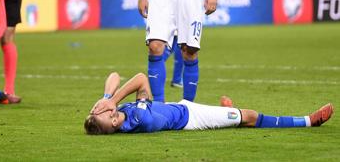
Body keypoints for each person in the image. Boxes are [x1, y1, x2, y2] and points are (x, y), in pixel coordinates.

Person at [84, 72, 334, 134]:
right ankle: (308, 121)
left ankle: (227, 112)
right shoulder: (140, 119)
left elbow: (117, 75)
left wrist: (106, 99)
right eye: (110, 119)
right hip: (193, 119)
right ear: (114, 123)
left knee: (237, 115)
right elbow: (139, 78)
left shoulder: (125, 113)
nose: (112, 115)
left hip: (183, 106)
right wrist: (114, 100)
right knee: (249, 116)